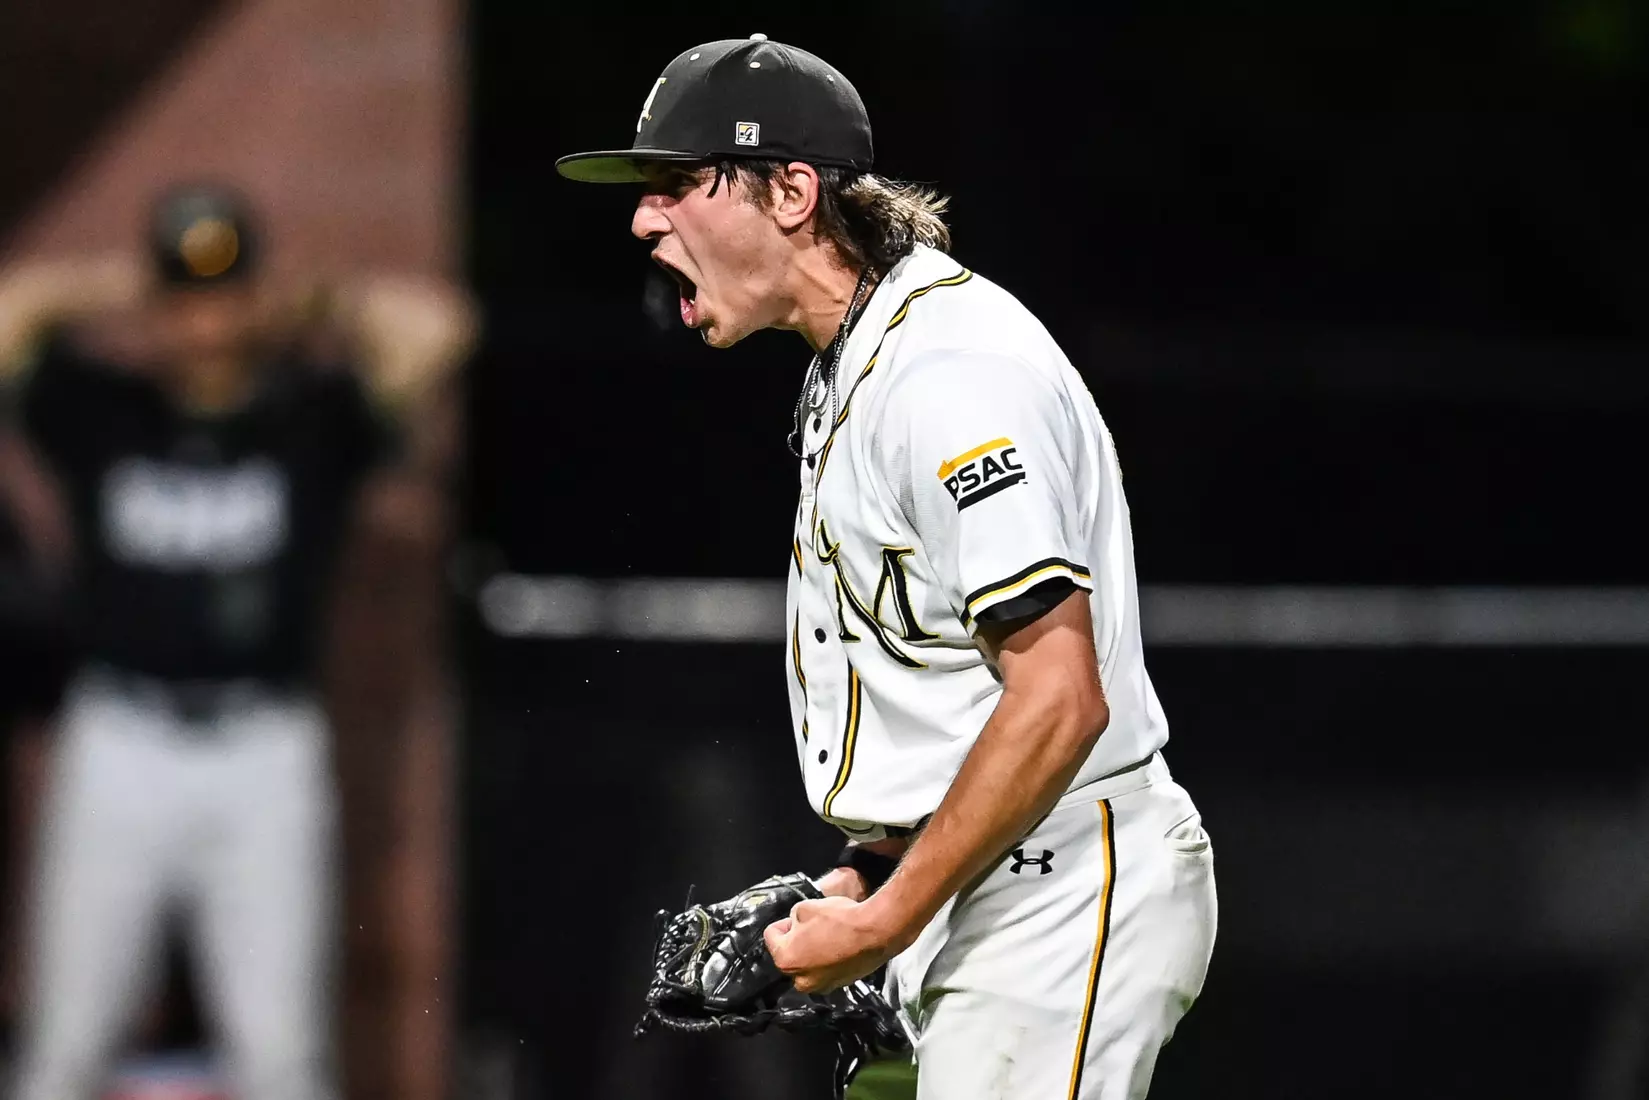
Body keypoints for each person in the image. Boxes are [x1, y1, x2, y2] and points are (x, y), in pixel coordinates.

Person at [555, 34, 1216, 1100]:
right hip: (980, 886)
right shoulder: (864, 360)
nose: (643, 218)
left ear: (790, 193)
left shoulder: (947, 376)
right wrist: (858, 881)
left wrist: (882, 918)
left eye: (678, 183)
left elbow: (1058, 697)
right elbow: (951, 693)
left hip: (1056, 892)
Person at [0, 182, 475, 1100]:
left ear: (255, 297)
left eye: (223, 296)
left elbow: (439, 328)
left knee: (281, 1057)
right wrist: (116, 289)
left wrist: (312, 301)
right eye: (184, 299)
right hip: (120, 741)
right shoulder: (108, 409)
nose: (205, 324)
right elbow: (9, 316)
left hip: (263, 748)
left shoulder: (308, 417)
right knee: (64, 1047)